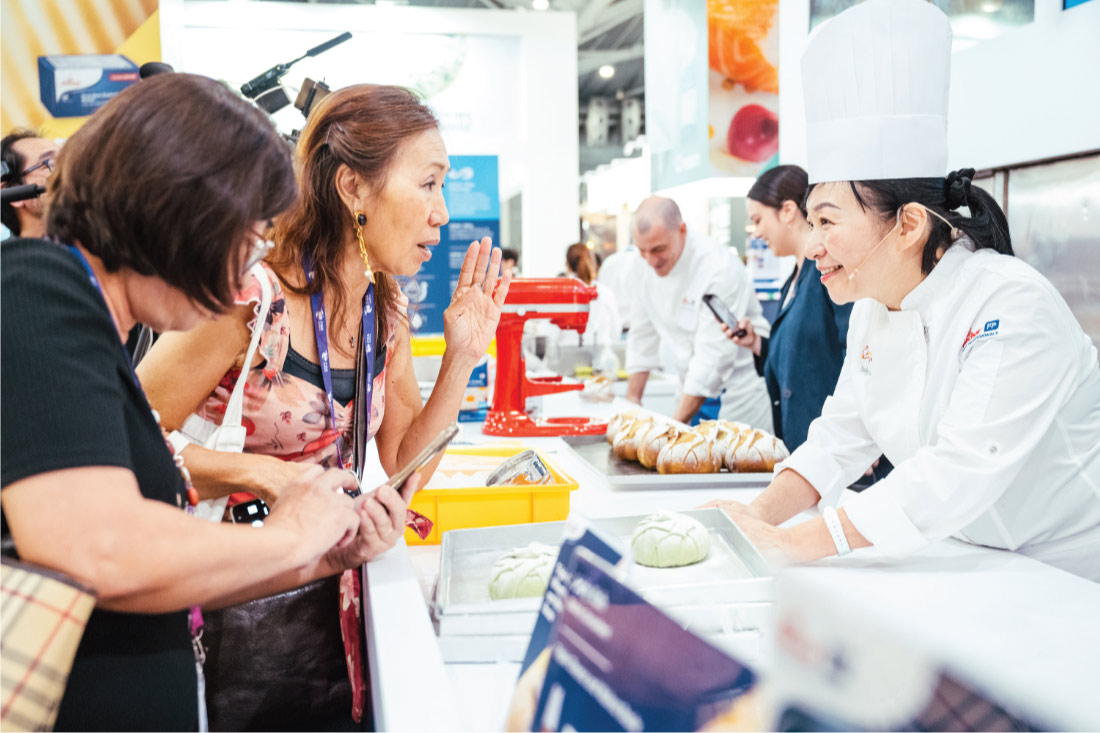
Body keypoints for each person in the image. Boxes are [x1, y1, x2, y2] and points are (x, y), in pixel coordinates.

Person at [0, 74, 412, 731]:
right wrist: (288, 533)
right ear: (177, 207)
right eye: (242, 237)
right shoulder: (33, 286)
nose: (236, 277)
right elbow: (99, 551)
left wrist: (320, 554)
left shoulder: (93, 324)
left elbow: (165, 568)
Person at [136, 84, 510, 729]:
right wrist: (263, 473)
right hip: (226, 608)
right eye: (427, 184)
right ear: (353, 189)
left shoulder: (383, 312)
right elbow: (125, 435)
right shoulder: (249, 299)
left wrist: (462, 357)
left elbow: (400, 470)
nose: (442, 213)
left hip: (333, 608)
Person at [705, 0, 1100, 581]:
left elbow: (956, 471)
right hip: (963, 562)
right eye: (810, 221)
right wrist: (753, 517)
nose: (813, 244)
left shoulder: (1011, 305)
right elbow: (842, 434)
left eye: (829, 221)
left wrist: (793, 544)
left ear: (909, 224)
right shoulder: (874, 310)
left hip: (1066, 580)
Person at [720, 165, 851, 451]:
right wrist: (755, 343)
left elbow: (856, 352)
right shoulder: (792, 281)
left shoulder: (828, 275)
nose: (756, 231)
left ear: (788, 211)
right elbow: (801, 359)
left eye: (758, 220)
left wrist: (859, 431)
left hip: (836, 448)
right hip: (804, 446)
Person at [625, 195, 772, 428]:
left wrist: (670, 431)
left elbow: (712, 358)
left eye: (658, 249)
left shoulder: (718, 267)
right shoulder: (642, 265)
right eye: (643, 251)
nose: (651, 260)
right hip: (689, 387)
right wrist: (632, 402)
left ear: (682, 230)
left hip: (736, 395)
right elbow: (642, 335)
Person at [1, 129, 58, 239]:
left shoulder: (94, 241)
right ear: (15, 193)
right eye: (52, 162)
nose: (71, 170)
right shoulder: (13, 256)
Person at [564, 242, 622, 346]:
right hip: (601, 354)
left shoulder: (562, 292)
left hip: (568, 355)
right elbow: (615, 331)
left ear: (567, 265)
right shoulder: (605, 293)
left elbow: (549, 334)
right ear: (593, 264)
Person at [597, 247, 642, 330]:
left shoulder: (608, 262)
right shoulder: (641, 262)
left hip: (611, 327)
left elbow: (601, 293)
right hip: (635, 326)